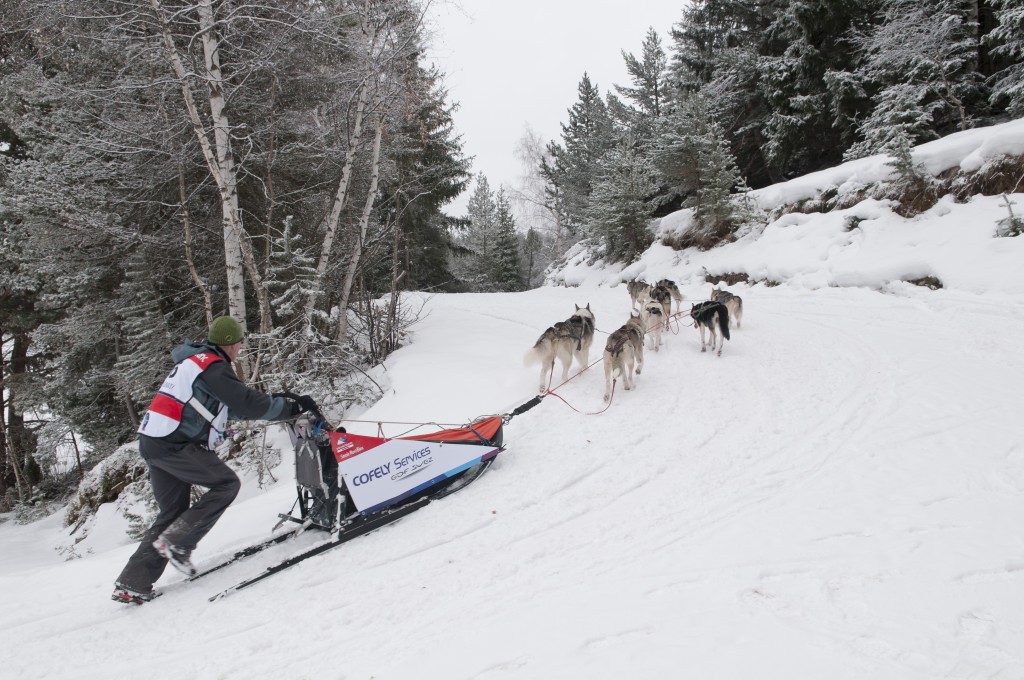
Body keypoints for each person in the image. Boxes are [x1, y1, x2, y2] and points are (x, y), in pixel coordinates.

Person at [112, 315, 315, 604]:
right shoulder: (213, 366)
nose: (239, 349)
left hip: (154, 441)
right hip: (174, 443)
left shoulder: (195, 362)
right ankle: (178, 543)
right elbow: (244, 401)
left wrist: (280, 404)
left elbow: (230, 409)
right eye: (240, 344)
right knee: (226, 484)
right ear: (233, 344)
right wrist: (287, 407)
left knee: (172, 513)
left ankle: (134, 582)